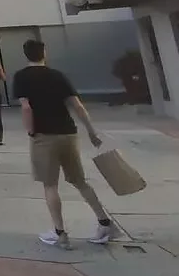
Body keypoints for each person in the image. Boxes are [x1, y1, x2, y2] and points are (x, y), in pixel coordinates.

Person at [12, 39, 116, 248]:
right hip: (68, 133)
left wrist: (31, 130)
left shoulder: (21, 77)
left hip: (43, 136)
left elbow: (26, 107)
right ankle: (105, 223)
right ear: (44, 53)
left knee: (50, 185)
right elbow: (77, 105)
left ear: (26, 55)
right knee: (79, 180)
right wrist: (91, 132)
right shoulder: (57, 75)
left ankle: (60, 234)